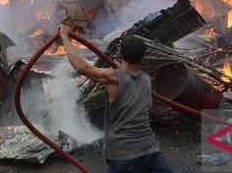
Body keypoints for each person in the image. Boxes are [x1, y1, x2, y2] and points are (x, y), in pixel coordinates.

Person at [58, 24, 173, 173]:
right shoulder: (146, 80)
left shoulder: (114, 78)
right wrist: (120, 72)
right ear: (142, 58)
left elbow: (82, 68)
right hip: (149, 150)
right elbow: (130, 83)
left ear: (120, 54)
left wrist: (65, 37)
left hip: (124, 154)